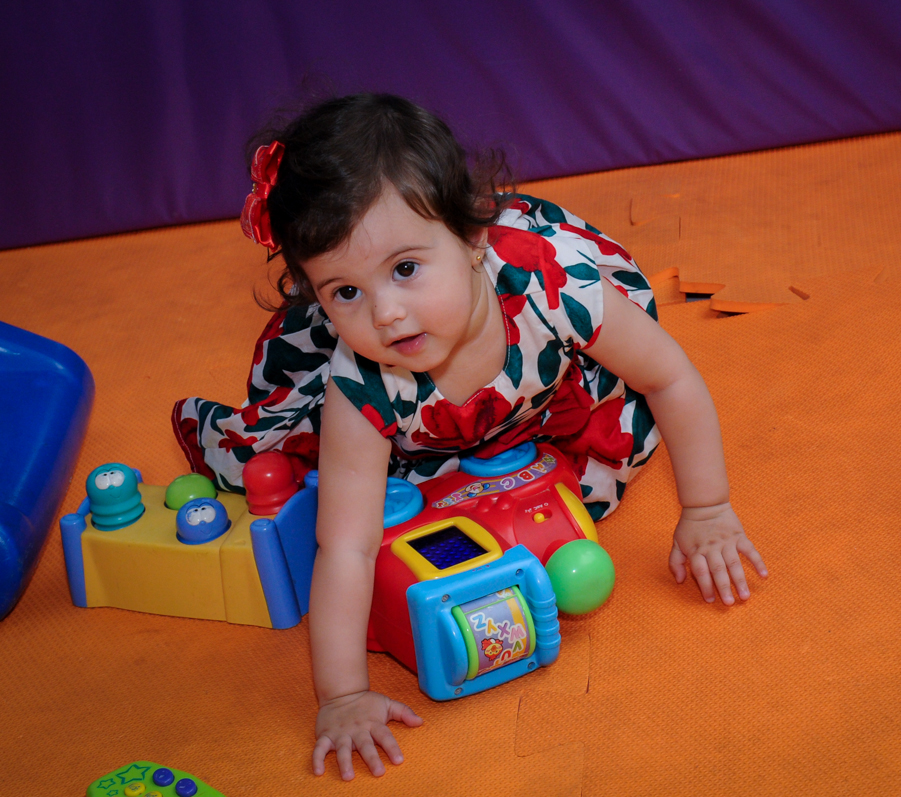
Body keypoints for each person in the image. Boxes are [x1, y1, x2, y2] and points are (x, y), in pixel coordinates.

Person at [173, 93, 767, 780]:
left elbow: (670, 378)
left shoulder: (554, 287)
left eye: (404, 269)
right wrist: (343, 694)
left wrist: (706, 508)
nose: (386, 314)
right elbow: (347, 545)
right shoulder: (360, 380)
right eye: (344, 292)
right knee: (281, 465)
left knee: (602, 456)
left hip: (549, 396)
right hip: (427, 437)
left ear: (472, 238)